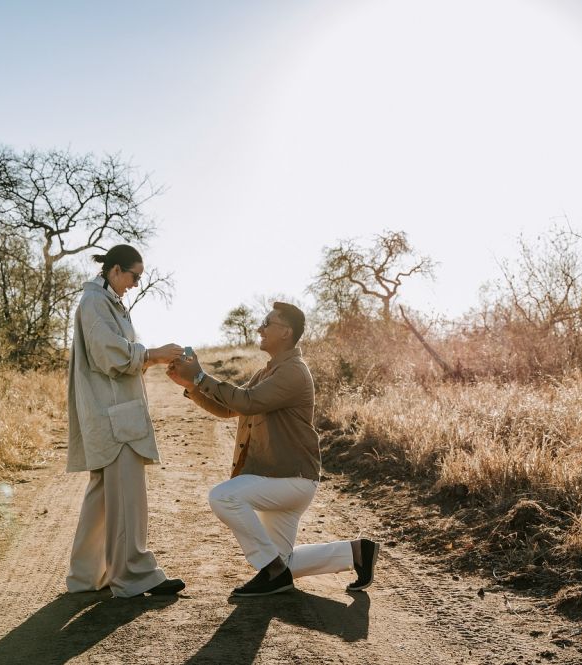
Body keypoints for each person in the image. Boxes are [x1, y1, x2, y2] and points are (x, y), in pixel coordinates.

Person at [167, 302, 379, 597]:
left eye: (267, 323)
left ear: (286, 332)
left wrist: (202, 376)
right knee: (283, 561)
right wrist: (191, 385)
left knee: (223, 496)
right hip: (279, 480)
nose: (259, 328)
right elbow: (232, 409)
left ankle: (273, 573)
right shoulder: (267, 372)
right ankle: (356, 552)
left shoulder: (293, 371)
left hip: (290, 480)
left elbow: (247, 402)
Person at [65, 244, 186, 598]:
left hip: (115, 415)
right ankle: (135, 575)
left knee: (103, 499)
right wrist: (153, 354)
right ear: (115, 270)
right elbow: (109, 355)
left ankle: (85, 577)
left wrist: (152, 358)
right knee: (126, 499)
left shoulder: (107, 302)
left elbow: (118, 354)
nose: (135, 283)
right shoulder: (94, 303)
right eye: (134, 276)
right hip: (113, 418)